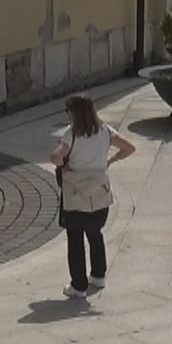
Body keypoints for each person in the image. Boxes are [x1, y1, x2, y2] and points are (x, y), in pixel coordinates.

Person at [52, 94, 135, 299]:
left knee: (75, 239)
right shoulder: (105, 131)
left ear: (75, 112)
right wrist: (110, 161)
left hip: (76, 195)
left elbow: (55, 157)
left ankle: (78, 285)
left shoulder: (71, 135)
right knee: (95, 233)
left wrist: (64, 165)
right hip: (99, 193)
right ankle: (98, 275)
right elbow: (129, 148)